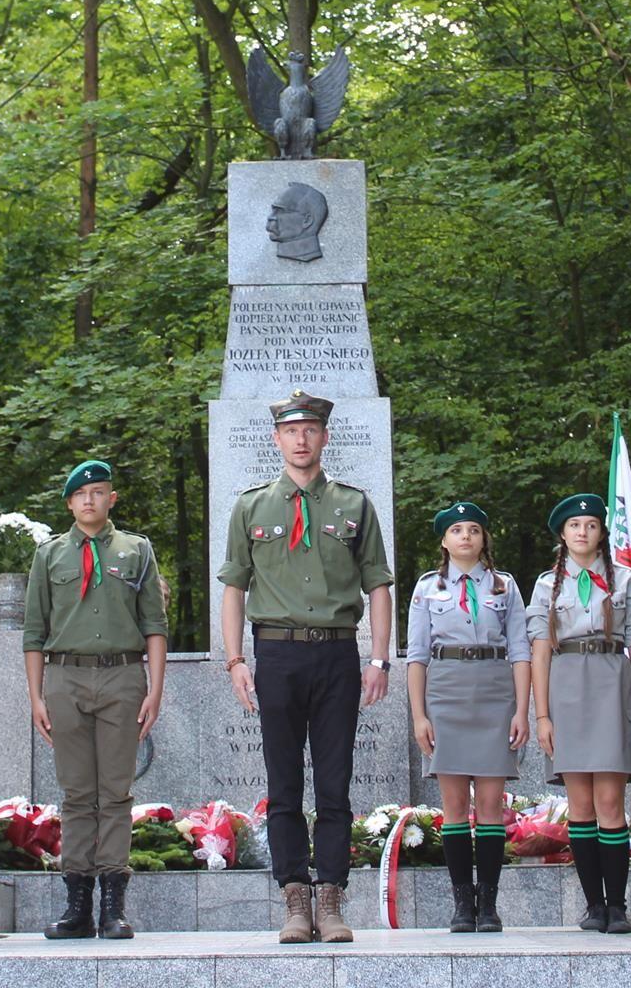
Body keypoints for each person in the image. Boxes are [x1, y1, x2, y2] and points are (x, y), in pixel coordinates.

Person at [219, 390, 394, 944]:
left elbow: (379, 585)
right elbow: (233, 588)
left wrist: (379, 657)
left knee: (336, 783)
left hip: (338, 653)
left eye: (310, 430)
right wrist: (235, 661)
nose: (300, 439)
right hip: (276, 653)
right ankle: (294, 897)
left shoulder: (353, 505)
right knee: (284, 783)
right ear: (277, 439)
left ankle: (332, 898)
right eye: (291, 431)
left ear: (324, 437)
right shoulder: (251, 506)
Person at [23, 459, 168, 941]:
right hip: (65, 678)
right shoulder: (50, 556)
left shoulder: (137, 551)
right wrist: (35, 696)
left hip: (122, 676)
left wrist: (156, 687)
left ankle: (113, 905)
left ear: (111, 499)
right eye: (81, 495)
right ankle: (77, 904)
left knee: (117, 794)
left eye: (99, 492)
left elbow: (154, 625)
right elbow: (33, 632)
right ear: (69, 502)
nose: (90, 500)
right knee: (77, 793)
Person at [528, 493, 631, 934]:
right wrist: (542, 716)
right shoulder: (547, 586)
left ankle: (617, 905)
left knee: (610, 800)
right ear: (563, 534)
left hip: (612, 681)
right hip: (566, 685)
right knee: (579, 803)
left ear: (602, 532)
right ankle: (593, 905)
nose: (583, 532)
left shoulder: (627, 580)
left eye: (591, 525)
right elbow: (540, 652)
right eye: (574, 525)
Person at [407, 501, 530, 932]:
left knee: (492, 804)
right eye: (456, 530)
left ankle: (489, 904)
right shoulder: (426, 589)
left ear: (483, 539)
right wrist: (419, 715)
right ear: (444, 541)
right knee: (455, 804)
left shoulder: (505, 587)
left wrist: (522, 709)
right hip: (447, 691)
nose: (465, 537)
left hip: (495, 693)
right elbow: (418, 657)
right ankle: (462, 903)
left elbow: (520, 650)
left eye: (473, 530)